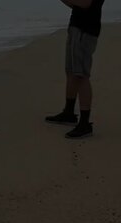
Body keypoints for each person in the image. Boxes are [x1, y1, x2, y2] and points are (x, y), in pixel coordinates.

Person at [45, 0, 104, 138]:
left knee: (81, 75)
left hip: (85, 30)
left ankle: (84, 124)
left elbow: (85, 3)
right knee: (71, 72)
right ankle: (69, 112)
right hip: (77, 27)